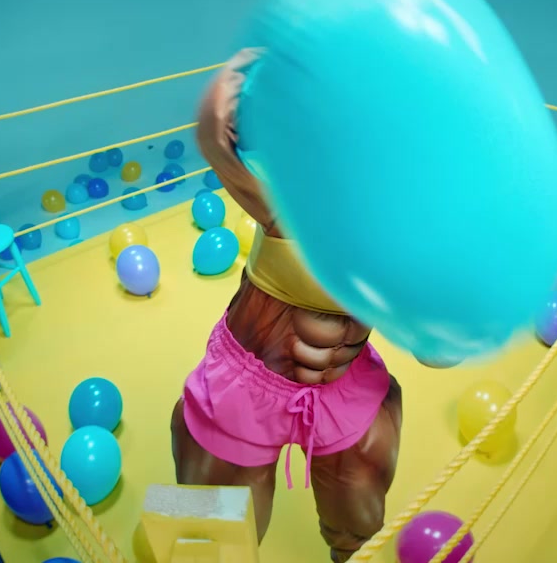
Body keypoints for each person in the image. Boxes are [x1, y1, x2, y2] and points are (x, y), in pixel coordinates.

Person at [172, 49, 448, 562]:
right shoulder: (289, 202)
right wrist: (242, 72)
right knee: (214, 540)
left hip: (345, 387)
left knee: (360, 521)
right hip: (248, 385)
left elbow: (437, 350)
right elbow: (214, 138)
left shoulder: (404, 234)